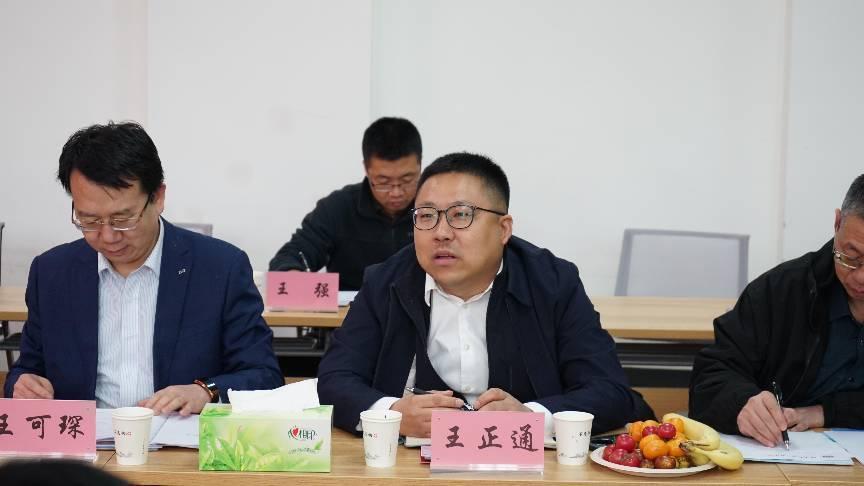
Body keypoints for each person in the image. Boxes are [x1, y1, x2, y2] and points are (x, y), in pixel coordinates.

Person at [317, 152, 649, 437]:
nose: (441, 233)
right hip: (410, 465)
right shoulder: (385, 282)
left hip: (527, 467)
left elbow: (608, 390)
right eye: (427, 216)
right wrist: (393, 415)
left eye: (461, 215)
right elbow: (335, 379)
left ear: (503, 229)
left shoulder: (553, 283)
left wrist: (531, 418)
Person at [4, 121, 283, 414]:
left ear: (158, 197)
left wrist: (206, 391)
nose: (108, 236)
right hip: (84, 439)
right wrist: (22, 385)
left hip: (179, 438)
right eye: (89, 220)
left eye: (123, 219)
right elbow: (26, 370)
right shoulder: (52, 273)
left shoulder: (221, 268)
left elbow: (264, 376)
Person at [690, 173, 864, 446]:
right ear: (837, 223)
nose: (861, 277)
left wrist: (826, 412)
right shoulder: (782, 290)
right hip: (784, 453)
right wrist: (742, 404)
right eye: (851, 257)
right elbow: (711, 376)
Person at [269, 117, 422, 290]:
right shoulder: (338, 208)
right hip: (352, 306)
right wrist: (292, 274)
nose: (396, 192)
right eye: (383, 182)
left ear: (420, 165)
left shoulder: (436, 208)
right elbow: (289, 257)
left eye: (407, 180)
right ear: (366, 169)